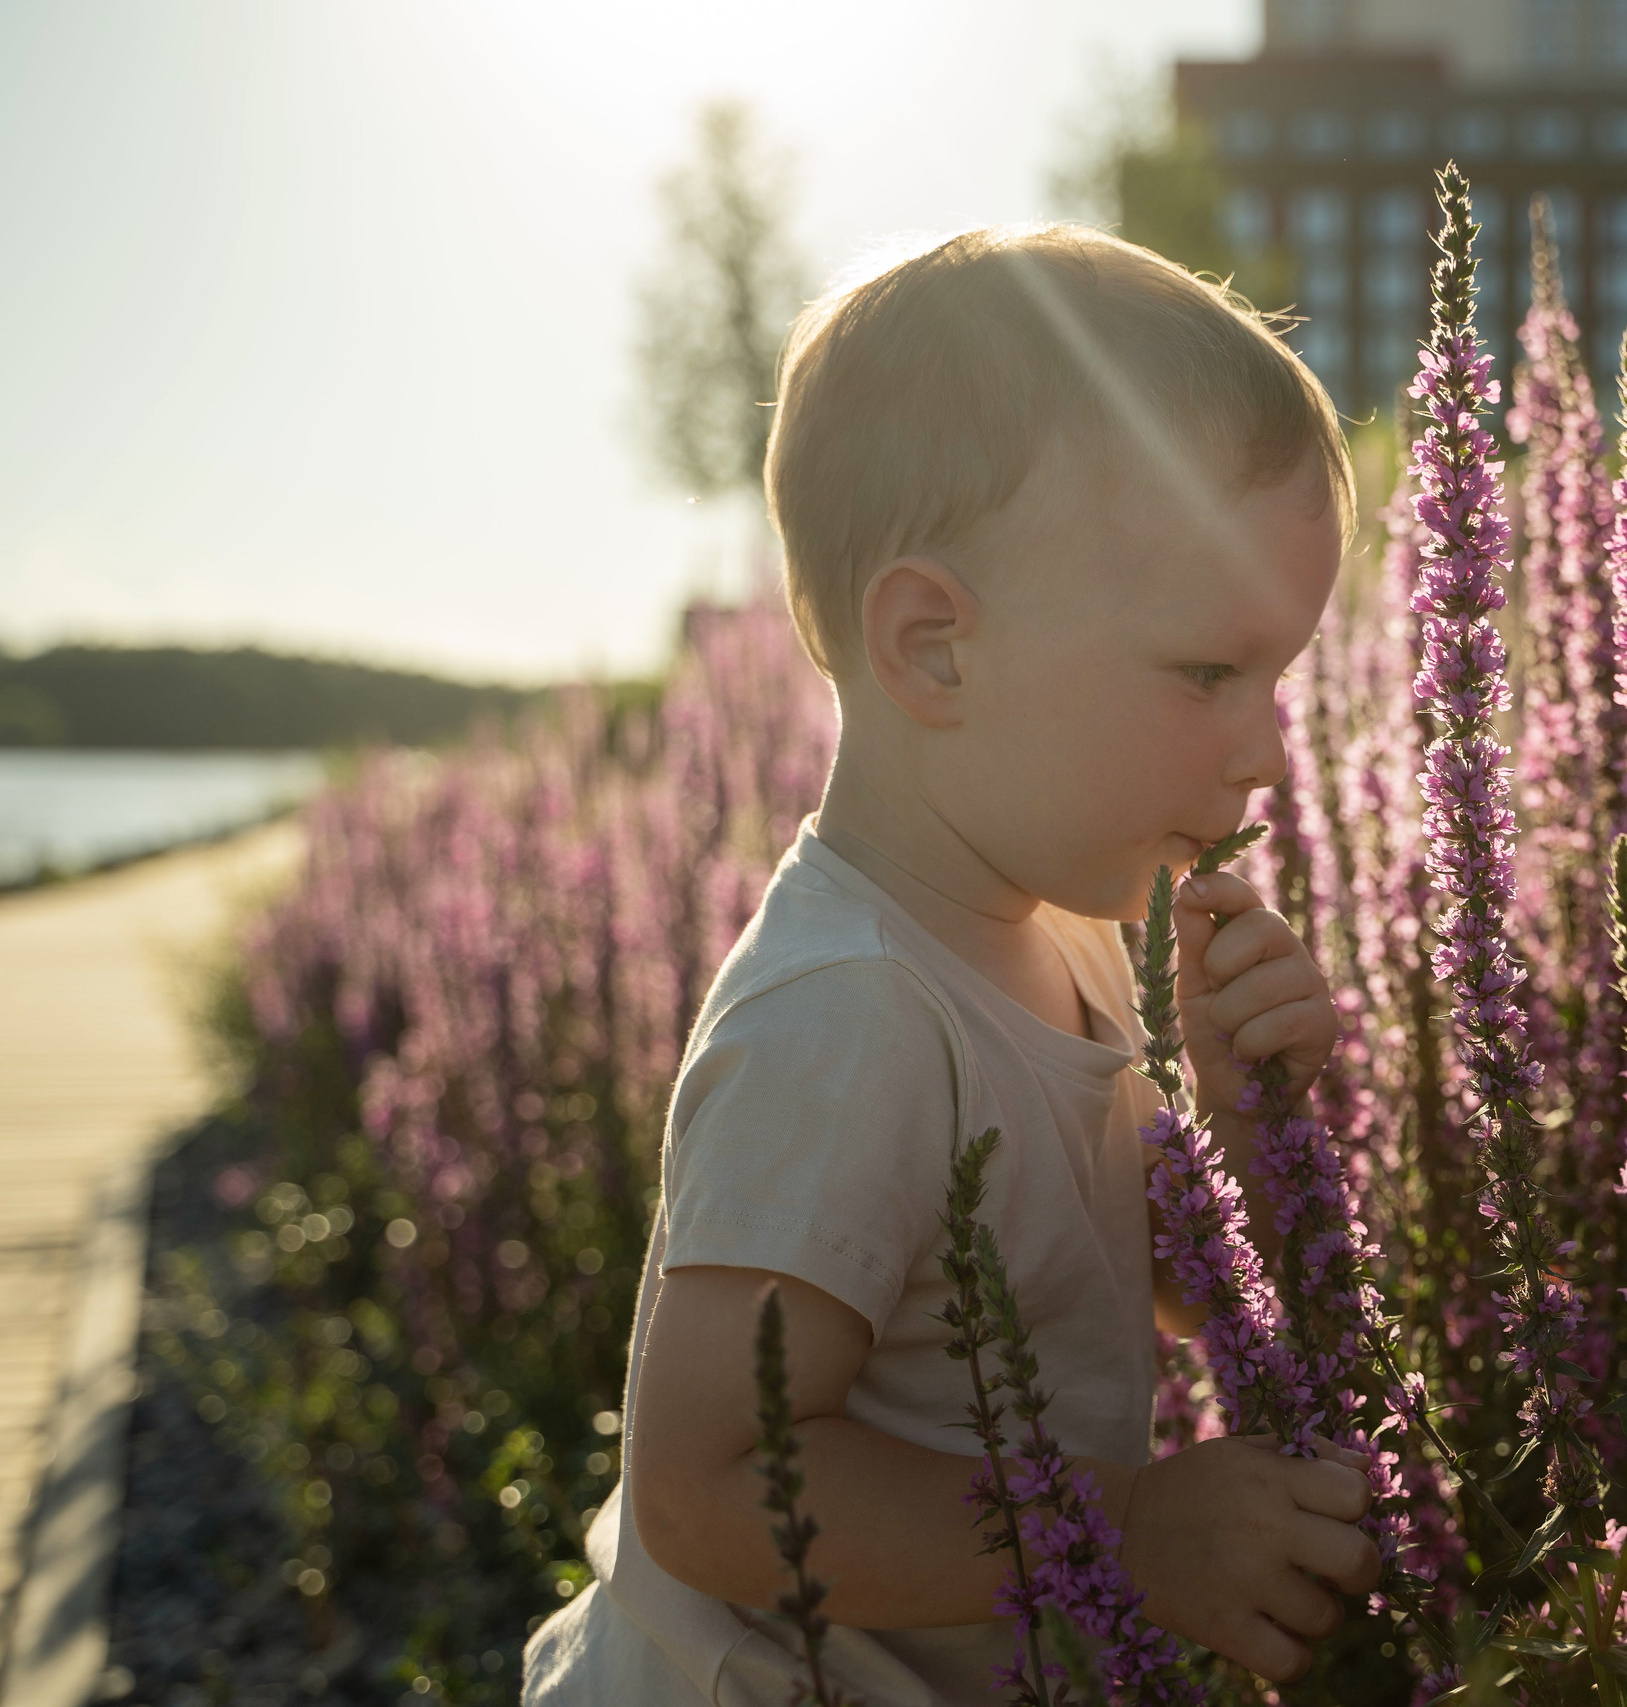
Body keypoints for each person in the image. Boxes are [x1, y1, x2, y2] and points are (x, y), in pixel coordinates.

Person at [523, 224, 1379, 1705]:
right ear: (934, 650)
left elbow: (1105, 1282)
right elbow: (715, 1483)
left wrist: (1247, 1141)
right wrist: (1123, 1541)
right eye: (1208, 673)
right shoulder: (845, 1019)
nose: (1268, 746)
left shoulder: (1064, 935)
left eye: (1284, 675)